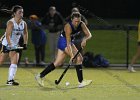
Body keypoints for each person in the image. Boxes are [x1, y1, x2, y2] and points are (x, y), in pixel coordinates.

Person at [35, 12, 92, 88]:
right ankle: (81, 82)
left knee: (57, 63)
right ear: (71, 20)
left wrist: (84, 39)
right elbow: (68, 43)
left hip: (69, 42)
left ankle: (40, 76)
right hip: (64, 42)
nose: (76, 23)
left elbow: (89, 35)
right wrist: (72, 56)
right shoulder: (68, 26)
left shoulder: (81, 24)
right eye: (75, 21)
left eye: (78, 21)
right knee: (79, 58)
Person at [0, 5, 28, 85]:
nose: (21, 14)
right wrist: (10, 45)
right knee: (1, 61)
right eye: (20, 12)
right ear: (15, 13)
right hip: (6, 44)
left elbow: (25, 33)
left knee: (14, 62)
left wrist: (25, 43)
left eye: (22, 12)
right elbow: (8, 35)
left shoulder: (24, 23)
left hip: (15, 45)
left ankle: (10, 80)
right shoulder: (11, 23)